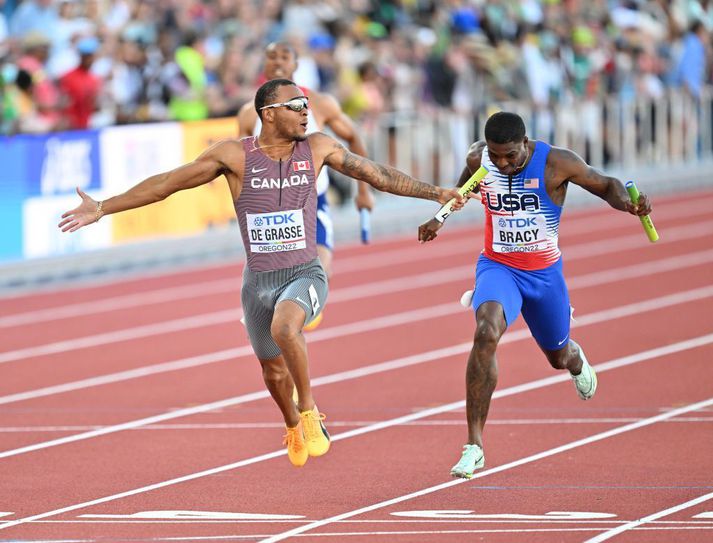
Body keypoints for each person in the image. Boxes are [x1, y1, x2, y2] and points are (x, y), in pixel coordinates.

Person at [60, 79, 462, 468]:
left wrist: (435, 192)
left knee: (287, 329)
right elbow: (166, 184)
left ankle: (309, 410)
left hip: (305, 272)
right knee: (272, 370)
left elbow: (376, 174)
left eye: (307, 105)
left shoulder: (318, 147)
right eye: (297, 107)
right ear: (269, 114)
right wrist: (103, 208)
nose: (307, 114)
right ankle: (290, 422)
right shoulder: (234, 156)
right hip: (258, 284)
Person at [418, 111, 652, 479]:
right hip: (498, 267)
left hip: (544, 275)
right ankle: (474, 446)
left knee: (558, 356)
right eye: (495, 156)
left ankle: (575, 361)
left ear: (525, 143)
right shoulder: (480, 159)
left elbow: (606, 184)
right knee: (485, 332)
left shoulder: (557, 163)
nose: (502, 163)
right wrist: (440, 216)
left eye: (510, 155)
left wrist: (627, 203)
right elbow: (463, 187)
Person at [238, 43, 374, 330]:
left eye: (284, 57)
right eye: (270, 56)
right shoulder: (249, 113)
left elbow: (353, 137)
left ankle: (295, 319)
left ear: (296, 65)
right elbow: (239, 160)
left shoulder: (320, 104)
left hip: (312, 204)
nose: (276, 61)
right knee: (270, 291)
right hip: (269, 212)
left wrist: (363, 190)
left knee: (321, 270)